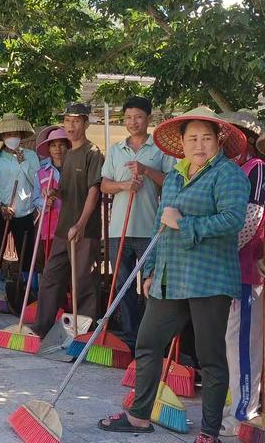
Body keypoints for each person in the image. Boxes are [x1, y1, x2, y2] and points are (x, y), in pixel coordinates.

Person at [99, 107, 250, 443]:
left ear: (218, 141)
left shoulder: (228, 175)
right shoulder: (176, 176)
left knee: (210, 358)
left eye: (206, 138)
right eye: (192, 138)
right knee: (148, 342)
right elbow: (159, 225)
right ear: (181, 143)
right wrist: (150, 271)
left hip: (209, 279)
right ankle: (139, 416)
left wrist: (185, 223)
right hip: (170, 277)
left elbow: (232, 221)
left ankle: (209, 431)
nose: (199, 145)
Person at [101, 96, 175, 350]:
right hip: (118, 231)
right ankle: (131, 339)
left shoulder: (160, 149)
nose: (133, 122)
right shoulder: (115, 149)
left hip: (150, 231)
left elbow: (169, 181)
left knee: (150, 287)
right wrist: (123, 185)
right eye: (128, 117)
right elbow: (104, 184)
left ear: (149, 119)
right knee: (122, 286)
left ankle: (151, 340)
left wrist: (146, 170)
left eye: (138, 117)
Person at [32, 103, 104, 338]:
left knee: (83, 282)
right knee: (50, 277)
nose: (70, 126)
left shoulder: (93, 153)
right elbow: (65, 190)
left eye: (75, 121)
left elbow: (94, 191)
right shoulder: (70, 153)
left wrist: (81, 224)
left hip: (85, 230)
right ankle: (41, 328)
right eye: (67, 121)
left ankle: (84, 333)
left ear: (86, 123)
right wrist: (53, 193)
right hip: (63, 229)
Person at [220, 111, 265, 436]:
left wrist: (214, 246)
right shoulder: (229, 172)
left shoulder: (257, 169)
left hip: (248, 271)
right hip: (226, 272)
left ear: (245, 139)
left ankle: (242, 414)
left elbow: (251, 220)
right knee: (229, 343)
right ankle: (234, 407)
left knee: (242, 346)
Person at [0, 113, 40, 296]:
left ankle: (29, 291)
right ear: (2, 137)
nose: (12, 138)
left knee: (27, 251)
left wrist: (22, 161)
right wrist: (1, 206)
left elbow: (36, 182)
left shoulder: (31, 156)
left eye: (15, 134)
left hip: (24, 211)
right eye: (8, 134)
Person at [32, 126, 70, 263]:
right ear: (48, 149)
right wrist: (45, 203)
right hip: (49, 227)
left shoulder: (74, 169)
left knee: (71, 268)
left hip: (71, 226)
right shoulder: (41, 172)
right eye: (53, 145)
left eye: (61, 145)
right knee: (51, 265)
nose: (57, 149)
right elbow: (35, 198)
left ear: (68, 147)